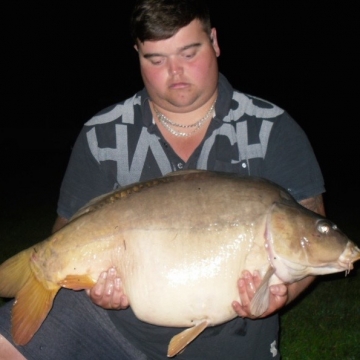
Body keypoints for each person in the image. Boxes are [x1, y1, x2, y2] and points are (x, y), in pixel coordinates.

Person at [0, 0, 326, 359]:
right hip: (113, 326)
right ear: (137, 55)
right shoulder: (103, 133)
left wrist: (281, 295)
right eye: (156, 60)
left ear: (214, 42)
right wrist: (89, 283)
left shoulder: (271, 128)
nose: (175, 72)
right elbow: (66, 231)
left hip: (235, 335)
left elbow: (310, 233)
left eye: (189, 52)